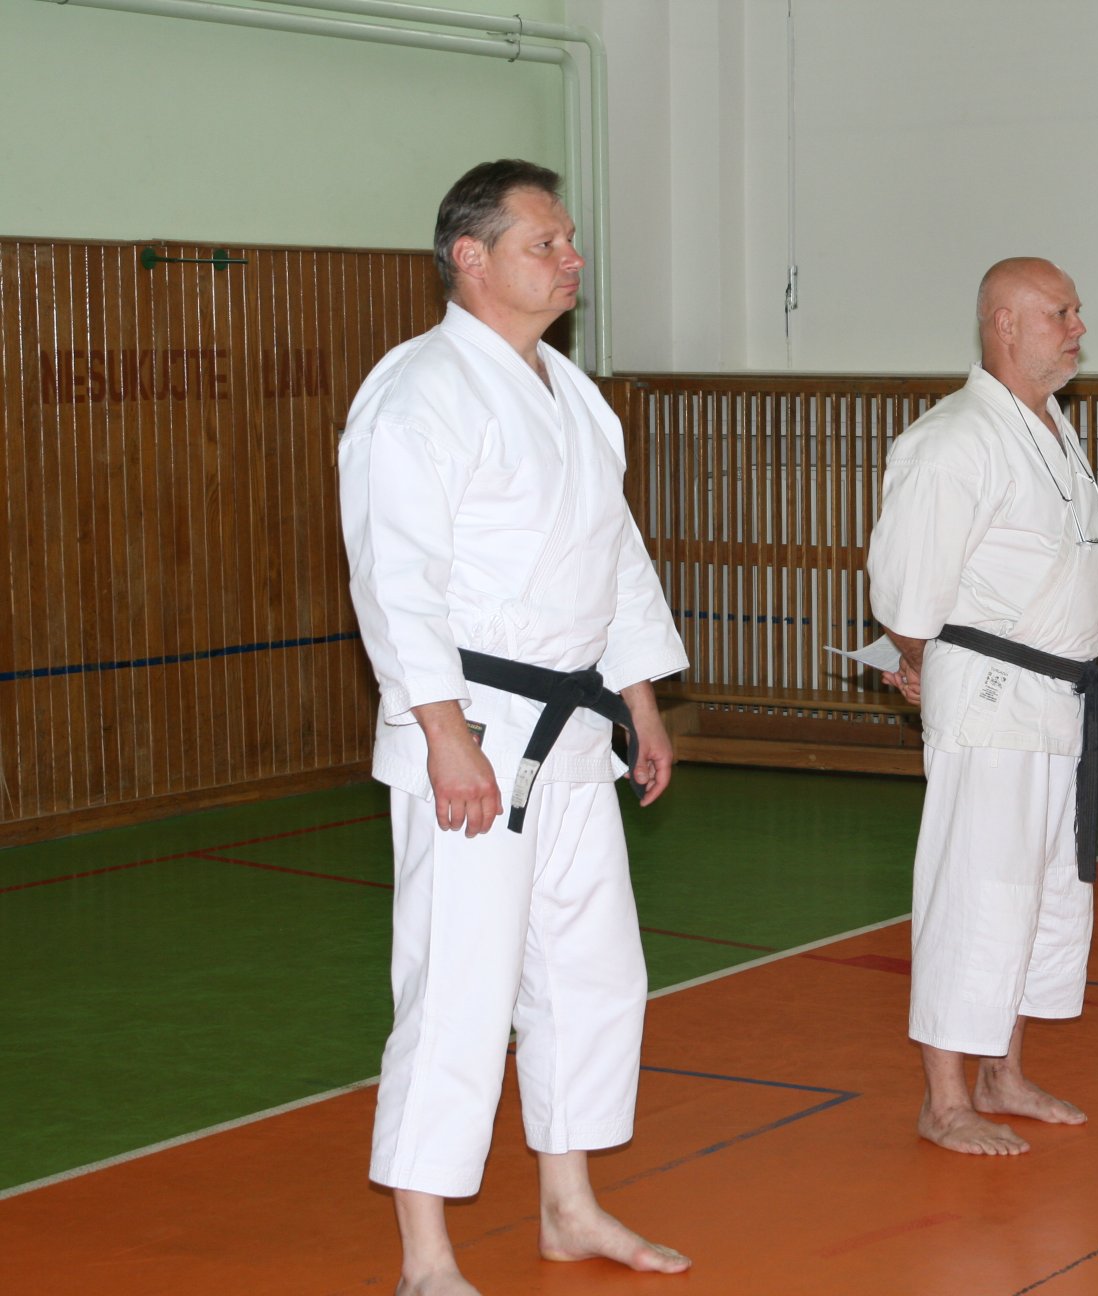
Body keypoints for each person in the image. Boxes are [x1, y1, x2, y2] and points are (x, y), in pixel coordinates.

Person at [338, 159, 692, 1294]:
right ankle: (425, 1255)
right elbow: (396, 579)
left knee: (592, 975)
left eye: (571, 240)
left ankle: (568, 1208)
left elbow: (614, 553)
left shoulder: (571, 393)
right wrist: (443, 734)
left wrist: (638, 697)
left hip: (574, 730)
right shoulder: (418, 391)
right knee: (458, 984)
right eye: (546, 242)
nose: (572, 259)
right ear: (471, 257)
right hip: (474, 725)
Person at [866, 257, 1098, 1155]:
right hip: (995, 701)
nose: (1078, 328)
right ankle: (945, 1099)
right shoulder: (954, 439)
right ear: (1004, 324)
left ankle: (1003, 1075)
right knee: (975, 892)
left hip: (1058, 702)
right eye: (1060, 313)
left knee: (1040, 898)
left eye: (1077, 312)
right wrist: (921, 663)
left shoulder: (1050, 427)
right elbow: (906, 595)